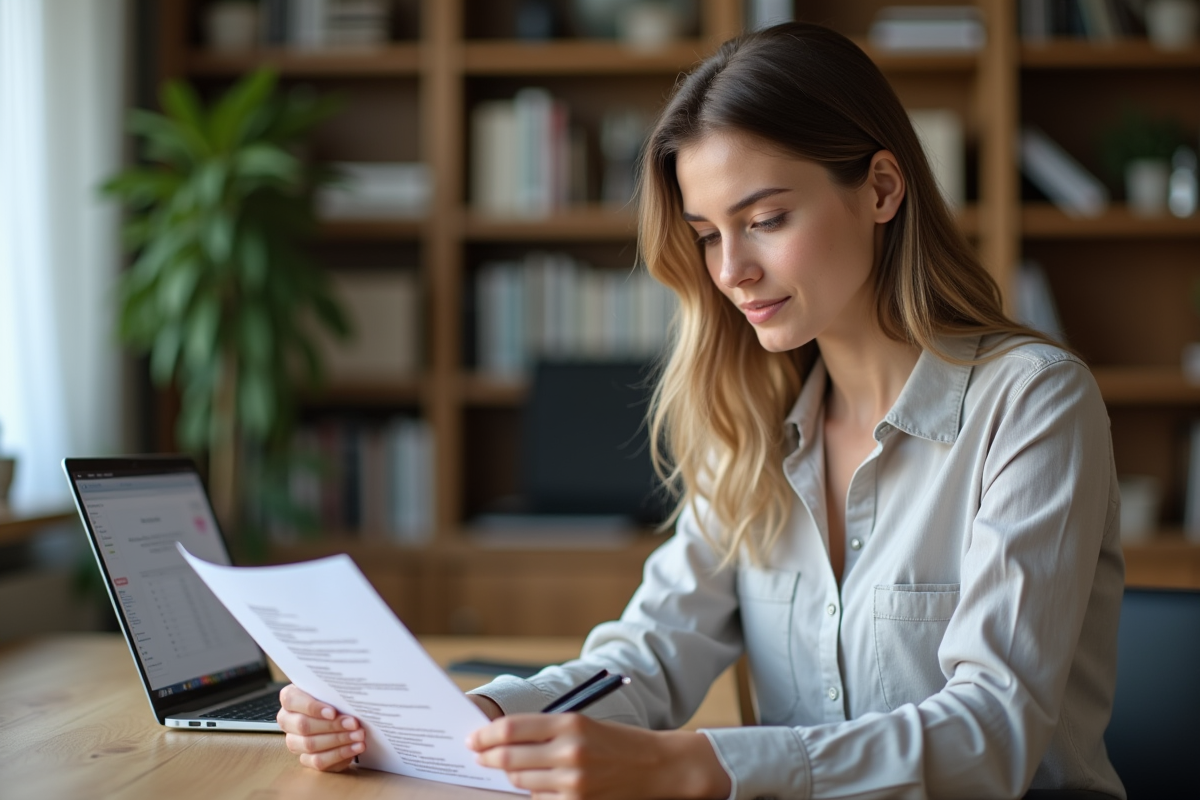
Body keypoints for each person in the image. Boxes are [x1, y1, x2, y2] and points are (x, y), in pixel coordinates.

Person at [276, 22, 1125, 800]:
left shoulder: (1032, 403)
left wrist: (700, 762)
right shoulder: (753, 419)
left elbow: (992, 732)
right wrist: (463, 717)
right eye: (709, 234)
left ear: (881, 188)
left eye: (766, 219)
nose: (731, 271)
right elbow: (645, 659)